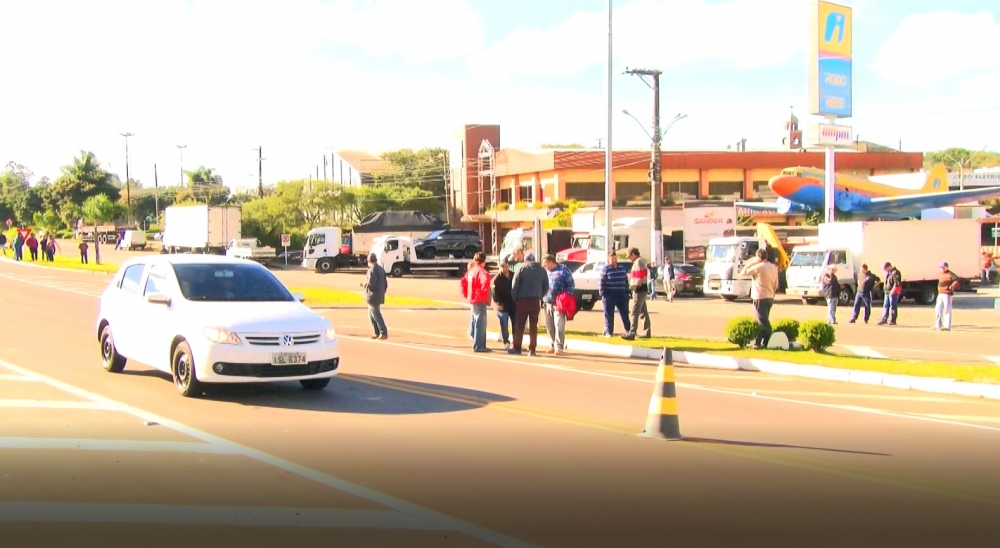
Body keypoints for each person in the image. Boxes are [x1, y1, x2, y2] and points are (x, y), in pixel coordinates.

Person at [508, 252, 549, 356]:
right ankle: (532, 349)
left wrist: (515, 298)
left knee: (520, 325)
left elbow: (514, 286)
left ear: (526, 260)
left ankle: (517, 347)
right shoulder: (542, 270)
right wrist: (539, 296)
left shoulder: (522, 269)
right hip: (535, 300)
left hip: (523, 300)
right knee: (533, 325)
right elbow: (546, 287)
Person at [739, 248, 779, 349]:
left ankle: (768, 341)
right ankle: (757, 342)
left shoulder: (759, 267)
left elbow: (742, 272)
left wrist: (752, 262)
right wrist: (772, 294)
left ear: (758, 257)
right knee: (760, 320)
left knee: (762, 321)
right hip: (770, 297)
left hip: (760, 297)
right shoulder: (773, 267)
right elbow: (776, 284)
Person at [542, 254, 574, 355]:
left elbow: (571, 285)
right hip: (547, 301)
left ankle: (559, 347)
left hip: (559, 303)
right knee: (549, 326)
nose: (544, 265)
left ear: (551, 262)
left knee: (559, 325)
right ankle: (552, 344)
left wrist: (565, 297)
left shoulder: (563, 271)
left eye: (545, 262)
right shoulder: (544, 272)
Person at [461, 252, 492, 353]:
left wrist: (467, 294)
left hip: (472, 299)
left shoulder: (471, 271)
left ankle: (479, 344)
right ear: (484, 261)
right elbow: (485, 282)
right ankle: (479, 345)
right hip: (479, 300)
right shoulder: (481, 272)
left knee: (476, 321)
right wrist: (483, 296)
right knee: (481, 323)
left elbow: (463, 282)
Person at [598, 252, 631, 337]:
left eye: (615, 259)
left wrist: (627, 292)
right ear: (609, 260)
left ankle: (629, 331)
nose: (614, 260)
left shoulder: (622, 268)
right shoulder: (605, 269)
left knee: (625, 314)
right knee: (609, 315)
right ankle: (609, 332)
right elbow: (601, 282)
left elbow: (626, 281)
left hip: (621, 294)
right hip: (609, 295)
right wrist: (602, 294)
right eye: (612, 259)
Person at [622, 248, 651, 340]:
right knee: (643, 311)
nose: (629, 258)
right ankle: (647, 331)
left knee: (635, 311)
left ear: (633, 254)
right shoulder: (641, 261)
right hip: (642, 288)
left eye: (630, 256)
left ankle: (632, 332)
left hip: (639, 288)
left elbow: (640, 277)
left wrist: (634, 287)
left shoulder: (638, 262)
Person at [361, 253, 388, 340]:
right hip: (379, 294)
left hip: (373, 296)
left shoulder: (372, 270)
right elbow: (385, 283)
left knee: (376, 314)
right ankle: (376, 332)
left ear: (369, 261)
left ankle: (383, 332)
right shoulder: (381, 269)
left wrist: (363, 284)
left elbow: (371, 284)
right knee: (371, 315)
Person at [492, 259, 517, 350]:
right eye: (502, 266)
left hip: (513, 305)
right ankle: (506, 341)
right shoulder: (497, 279)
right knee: (504, 325)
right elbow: (494, 294)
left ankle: (516, 342)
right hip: (502, 307)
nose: (504, 268)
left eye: (506, 266)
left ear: (509, 266)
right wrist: (499, 303)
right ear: (500, 267)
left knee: (516, 325)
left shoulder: (514, 276)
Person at [934, 261, 961, 331]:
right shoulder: (940, 275)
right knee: (938, 309)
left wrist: (952, 286)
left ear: (946, 267)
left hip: (947, 294)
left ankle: (947, 326)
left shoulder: (950, 274)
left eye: (943, 267)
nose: (942, 269)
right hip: (940, 293)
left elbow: (957, 280)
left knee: (947, 309)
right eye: (940, 267)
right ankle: (938, 325)